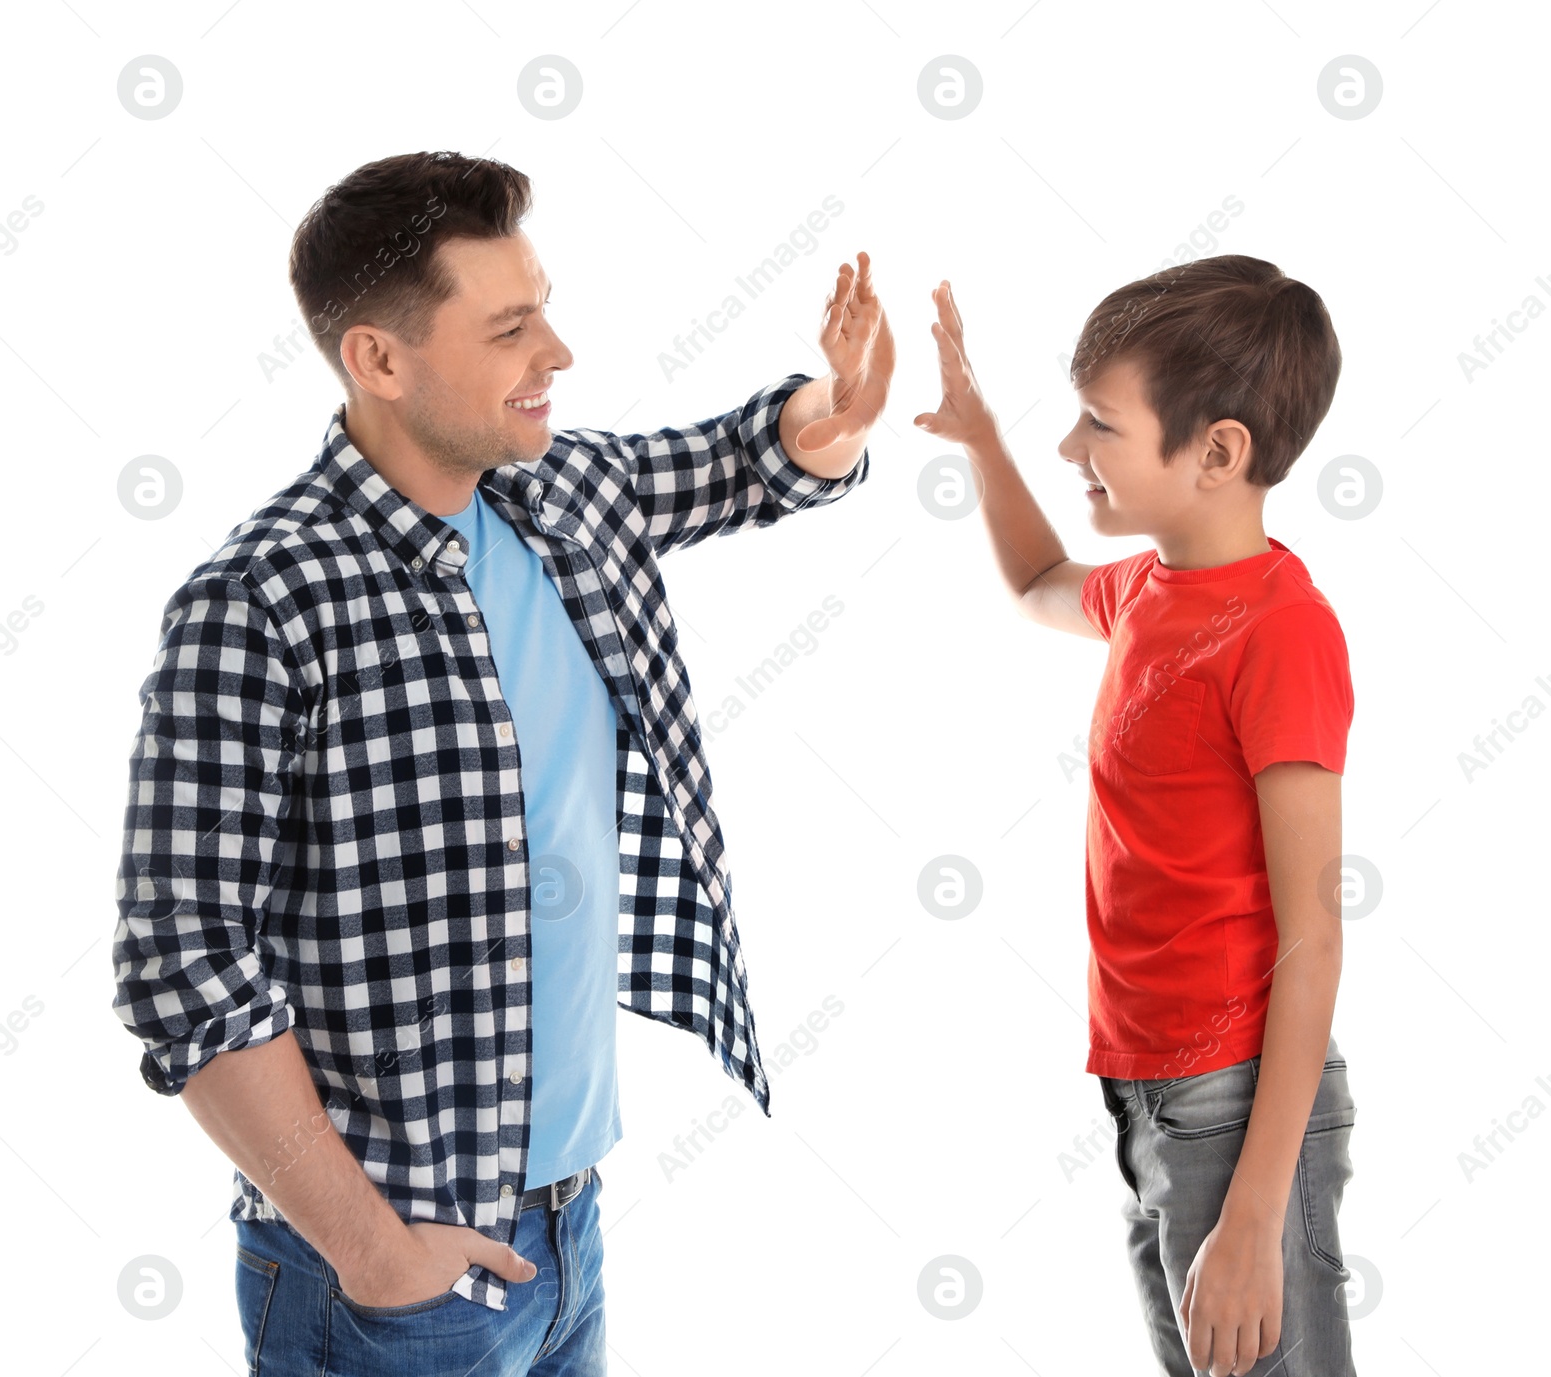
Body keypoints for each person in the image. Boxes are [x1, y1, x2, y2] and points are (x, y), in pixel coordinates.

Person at [110, 149, 891, 1376]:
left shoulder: (559, 498)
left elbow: (744, 461)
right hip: (383, 1282)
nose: (559, 355)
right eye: (513, 328)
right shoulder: (260, 601)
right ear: (378, 358)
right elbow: (181, 964)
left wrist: (831, 417)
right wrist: (371, 1250)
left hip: (568, 1227)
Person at [915, 256, 1357, 1377]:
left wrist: (1254, 1217)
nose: (1072, 449)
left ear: (1217, 453)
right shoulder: (1148, 591)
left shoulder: (1281, 633)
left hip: (1236, 1103)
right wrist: (978, 437)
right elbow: (1034, 582)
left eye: (1099, 425)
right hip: (1152, 1095)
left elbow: (1313, 940)